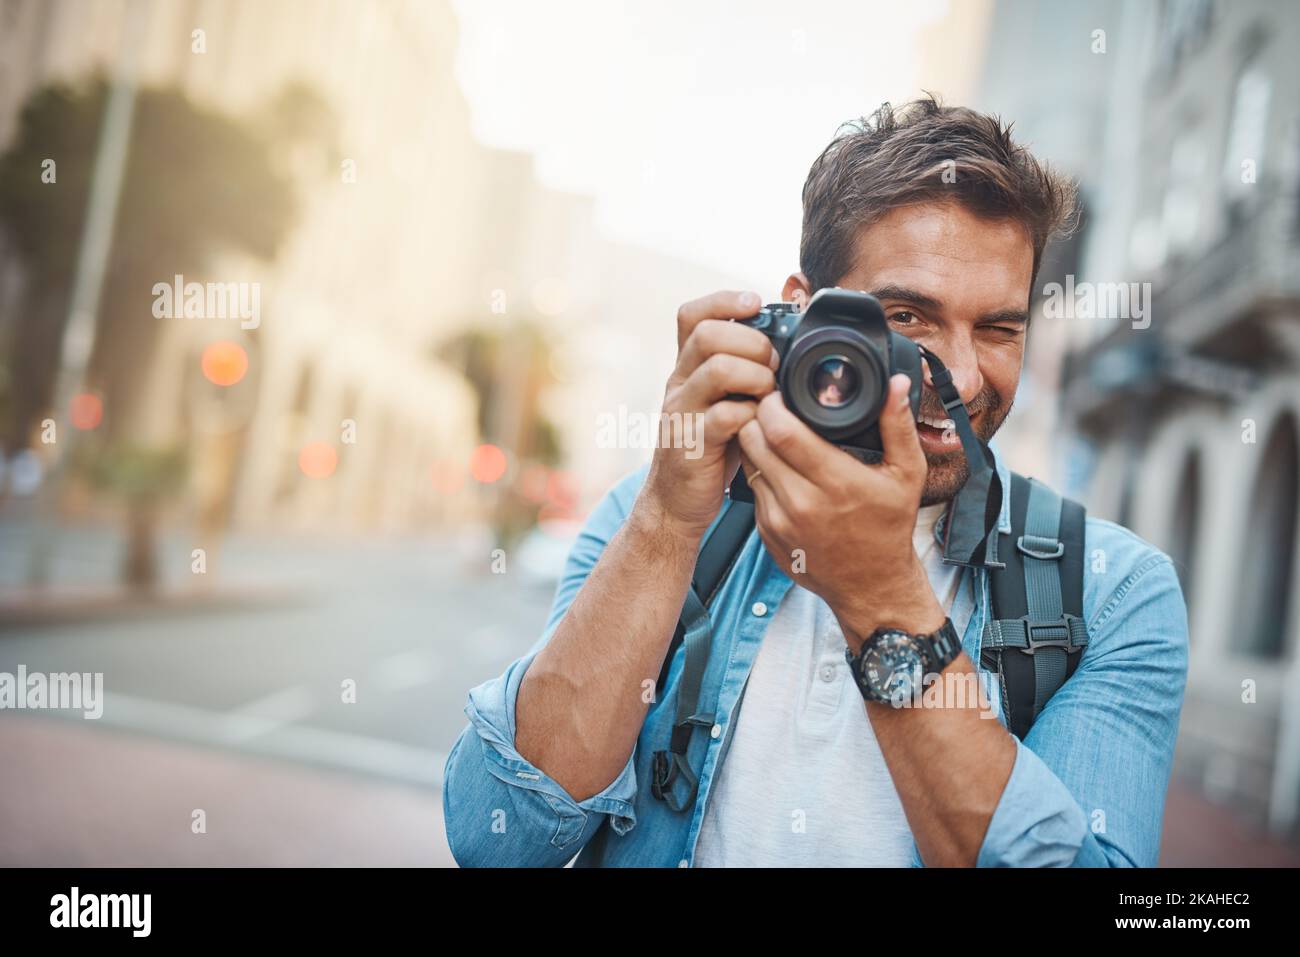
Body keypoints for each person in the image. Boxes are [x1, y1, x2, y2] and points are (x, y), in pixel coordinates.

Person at [441, 96, 1189, 867]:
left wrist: (881, 598)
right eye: (909, 316)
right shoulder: (656, 510)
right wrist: (666, 525)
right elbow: (498, 838)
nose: (962, 374)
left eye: (998, 328)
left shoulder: (1109, 594)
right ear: (803, 313)